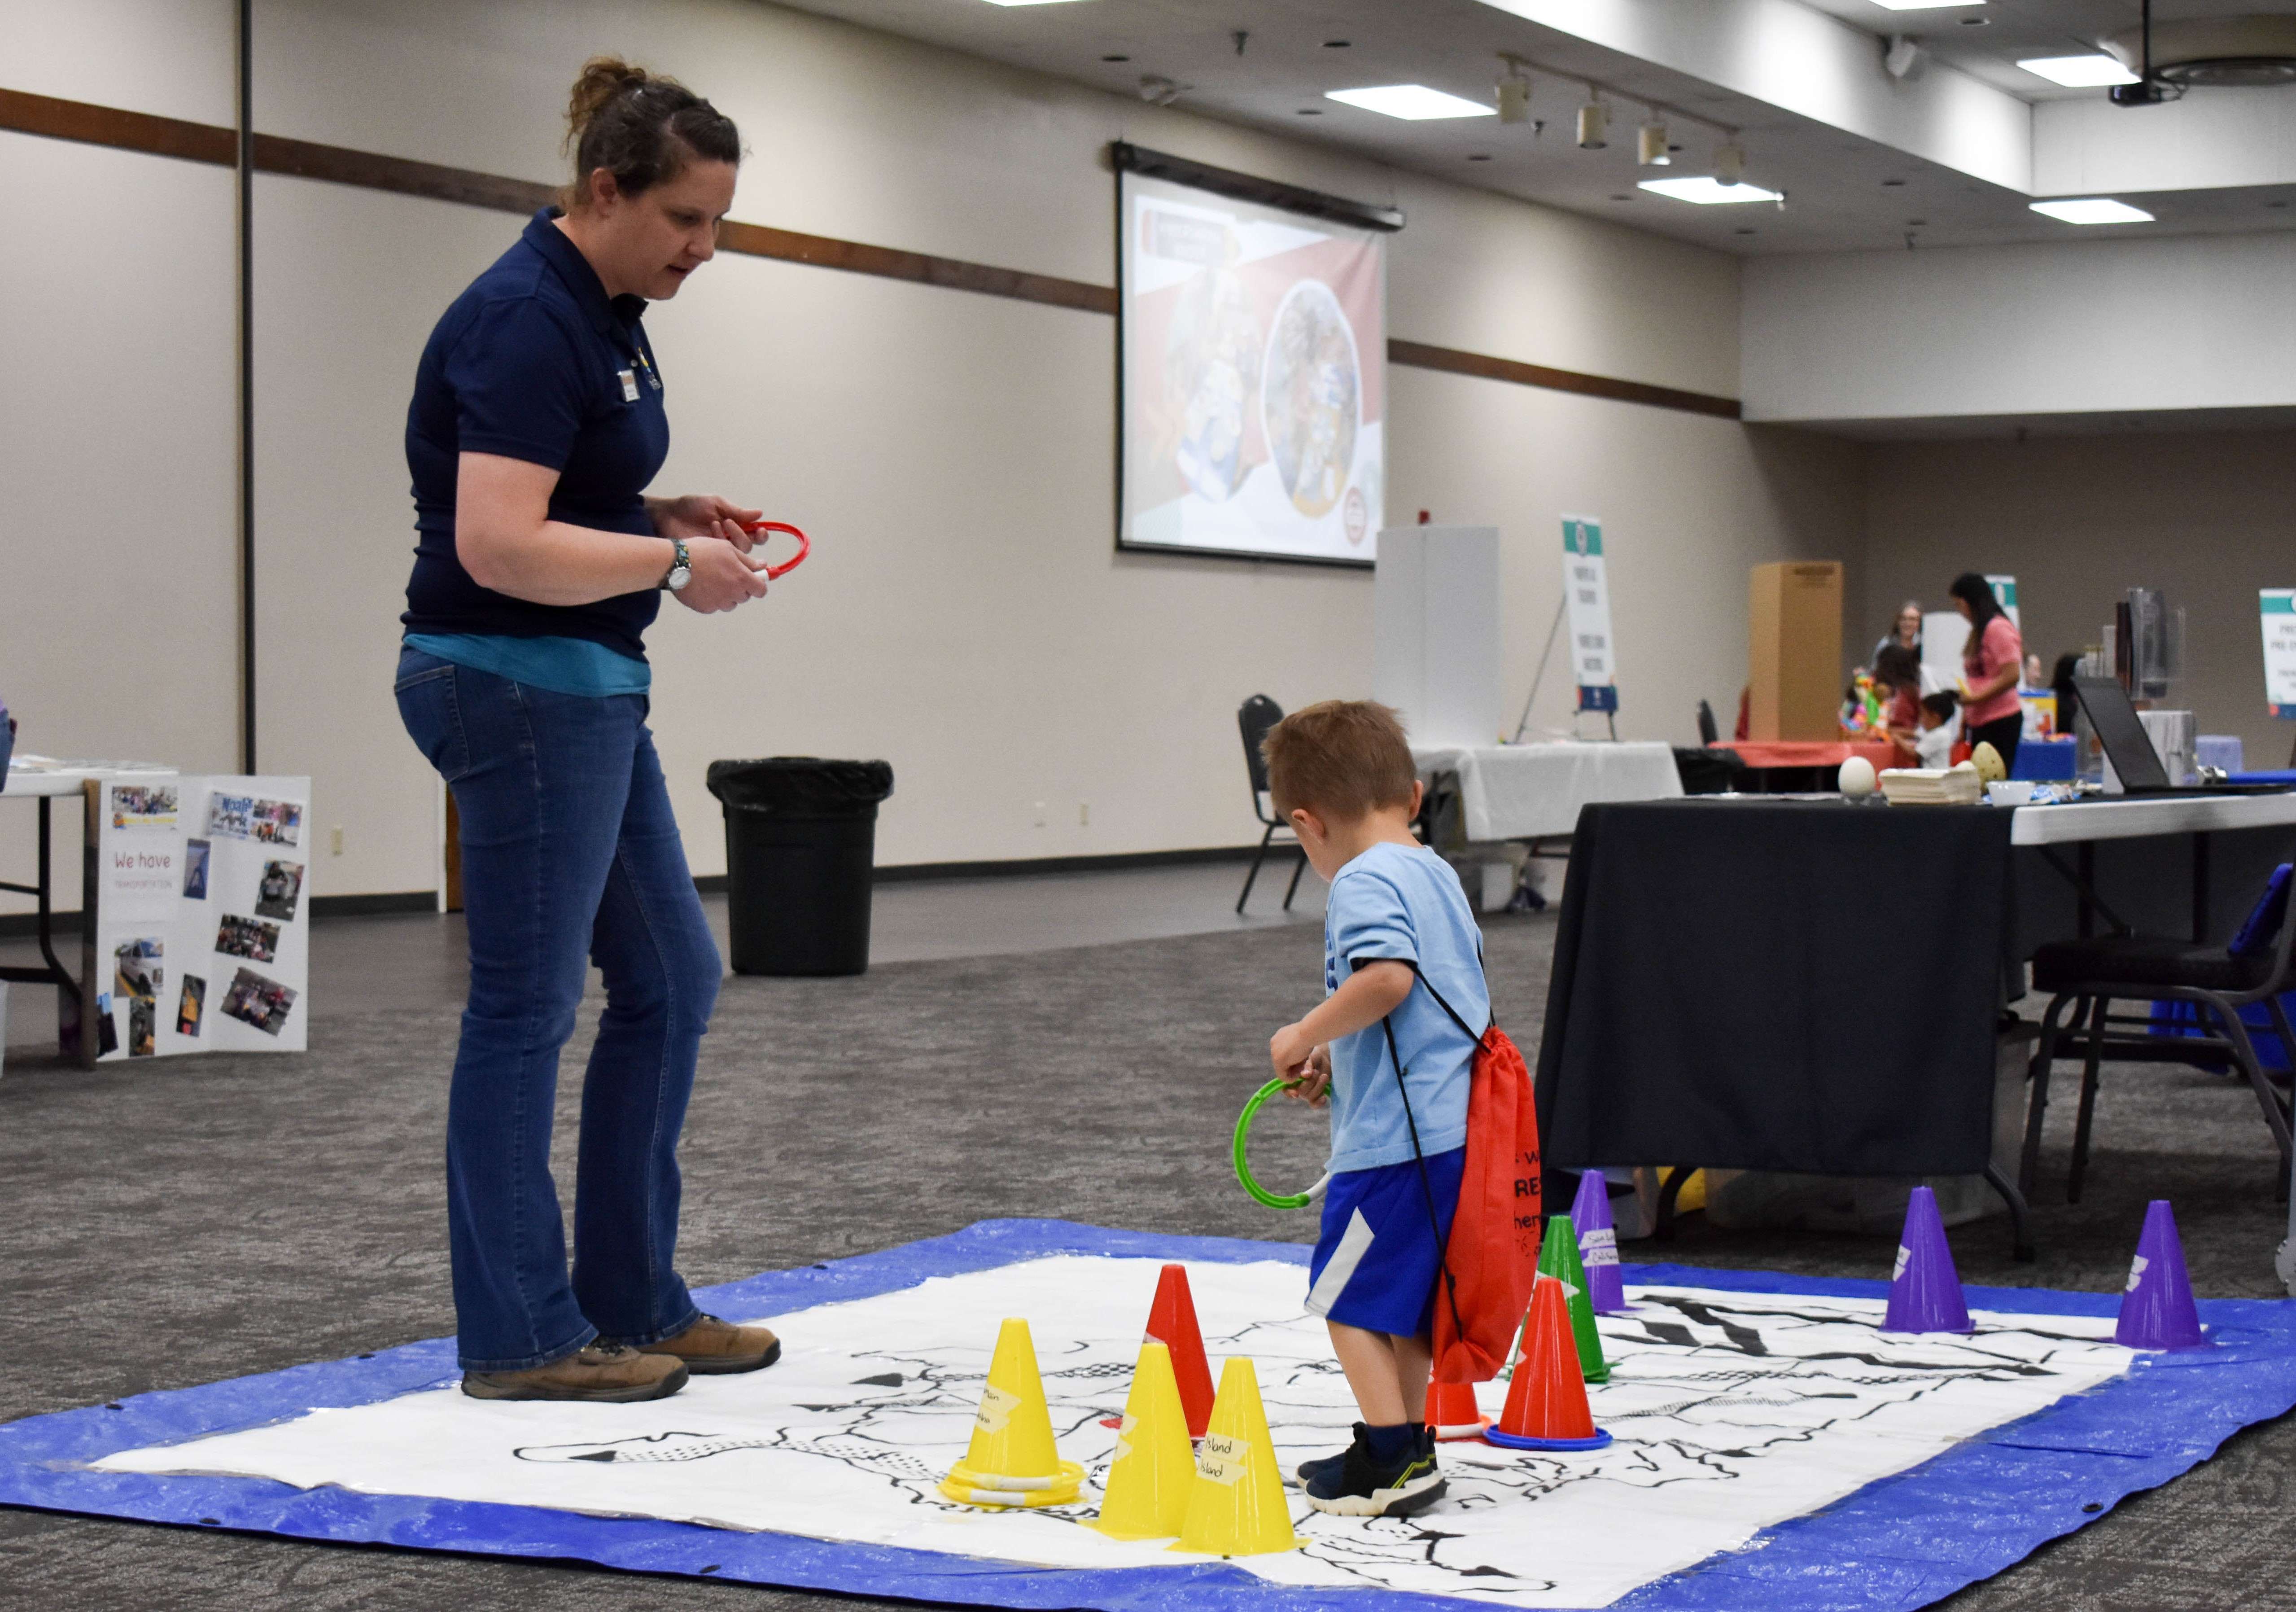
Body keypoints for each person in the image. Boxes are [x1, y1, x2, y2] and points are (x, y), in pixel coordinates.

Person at [394, 58, 780, 1404]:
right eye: (686, 220)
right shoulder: (521, 317)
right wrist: (670, 573)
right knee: (527, 1006)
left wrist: (663, 519)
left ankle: (633, 1300)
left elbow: (566, 495)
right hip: (512, 682)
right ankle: (518, 1335)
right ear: (604, 190)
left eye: (718, 224)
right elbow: (497, 543)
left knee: (674, 977)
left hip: (583, 684)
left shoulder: (608, 306)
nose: (704, 249)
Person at [1261, 701, 1483, 1518]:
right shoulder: (1432, 870)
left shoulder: (1361, 879)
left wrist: (1300, 1032)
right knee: (1401, 1303)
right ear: (1415, 795)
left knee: (1344, 1298)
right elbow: (1424, 999)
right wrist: (1336, 1055)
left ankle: (1391, 1459)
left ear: (1306, 822)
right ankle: (1405, 1439)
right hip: (1446, 1131)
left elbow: (1385, 978)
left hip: (1391, 1143)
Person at [1949, 571, 2024, 775]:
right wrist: (1965, 717)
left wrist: (1976, 698)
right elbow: (1974, 680)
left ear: (1969, 601)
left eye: (1959, 604)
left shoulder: (1997, 628)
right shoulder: (1977, 631)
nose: (1960, 611)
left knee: (1993, 779)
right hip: (1979, 720)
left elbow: (2012, 674)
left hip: (2001, 719)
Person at [1915, 690, 1960, 770]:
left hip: (1934, 775)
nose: (1921, 720)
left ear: (1936, 717)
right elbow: (1915, 734)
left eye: (1923, 715)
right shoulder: (1941, 732)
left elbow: (1915, 754)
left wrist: (1897, 739)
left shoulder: (1937, 735)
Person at [1872, 599, 1923, 668]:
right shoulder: (1887, 643)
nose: (1908, 623)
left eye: (1913, 619)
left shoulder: (1924, 645)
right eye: (1903, 619)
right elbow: (1875, 670)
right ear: (1898, 622)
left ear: (1920, 623)